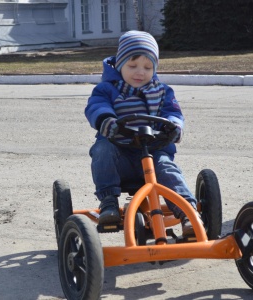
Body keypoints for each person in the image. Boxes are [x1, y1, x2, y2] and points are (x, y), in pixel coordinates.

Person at [85, 30, 199, 237]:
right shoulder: (106, 89)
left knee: (168, 168)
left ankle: (187, 213)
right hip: (120, 156)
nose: (140, 72)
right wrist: (106, 120)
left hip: (154, 152)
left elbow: (173, 112)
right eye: (132, 66)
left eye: (148, 67)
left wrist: (173, 126)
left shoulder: (163, 91)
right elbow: (96, 107)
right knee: (102, 149)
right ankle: (109, 204)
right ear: (119, 64)